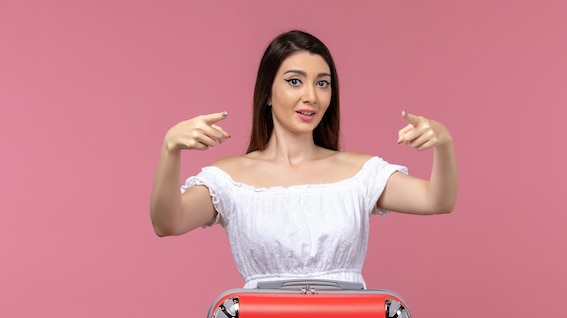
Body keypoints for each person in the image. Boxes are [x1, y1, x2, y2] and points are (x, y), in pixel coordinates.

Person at [150, 30, 458, 289]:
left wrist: (443, 145)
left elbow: (436, 200)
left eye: (322, 83)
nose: (311, 95)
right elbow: (168, 222)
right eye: (295, 81)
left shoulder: (358, 173)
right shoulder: (229, 179)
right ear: (267, 93)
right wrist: (170, 150)